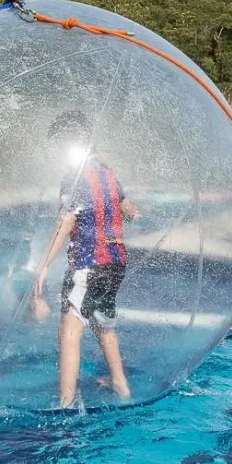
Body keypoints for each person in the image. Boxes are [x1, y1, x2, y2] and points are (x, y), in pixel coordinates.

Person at [31, 111, 140, 408]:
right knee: (102, 323)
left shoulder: (75, 177)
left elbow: (66, 223)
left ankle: (65, 403)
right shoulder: (109, 173)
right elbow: (130, 211)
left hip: (90, 263)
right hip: (116, 262)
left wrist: (42, 269)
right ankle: (120, 383)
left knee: (69, 330)